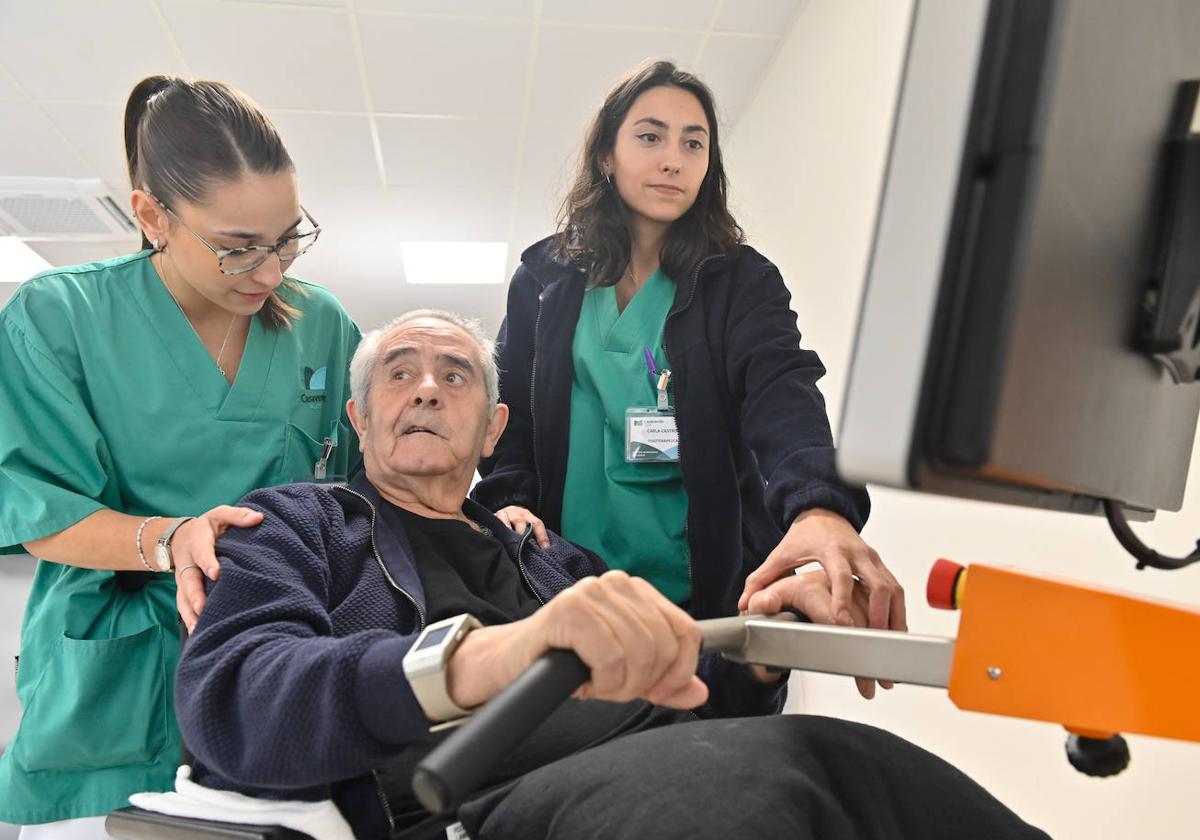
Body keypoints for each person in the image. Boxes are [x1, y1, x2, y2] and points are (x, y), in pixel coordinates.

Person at [173, 311, 1049, 840]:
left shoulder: (549, 556)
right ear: (361, 421)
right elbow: (236, 699)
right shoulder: (297, 525)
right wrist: (490, 658)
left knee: (868, 768)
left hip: (662, 767)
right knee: (757, 783)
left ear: (494, 431)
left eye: (455, 377)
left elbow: (691, 689)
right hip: (470, 806)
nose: (428, 390)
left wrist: (763, 648)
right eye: (400, 376)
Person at [0, 76, 360, 834]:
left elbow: (359, 494)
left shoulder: (321, 326)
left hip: (275, 672)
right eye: (237, 249)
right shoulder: (60, 318)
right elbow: (39, 507)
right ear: (152, 215)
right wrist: (170, 539)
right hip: (116, 674)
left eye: (287, 238)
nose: (270, 272)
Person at [471, 61, 904, 669]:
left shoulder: (740, 282)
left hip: (705, 602)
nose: (674, 159)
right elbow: (508, 418)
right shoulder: (545, 282)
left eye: (693, 142)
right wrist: (507, 500)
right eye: (650, 137)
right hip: (564, 597)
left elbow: (782, 390)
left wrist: (819, 506)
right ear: (605, 155)